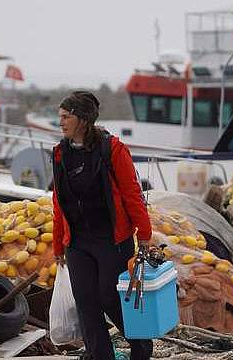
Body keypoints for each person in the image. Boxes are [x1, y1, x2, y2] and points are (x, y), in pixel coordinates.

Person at [51, 91, 153, 360]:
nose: (60, 122)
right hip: (78, 242)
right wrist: (57, 242)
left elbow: (132, 193)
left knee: (109, 297)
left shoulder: (113, 149)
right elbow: (58, 201)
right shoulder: (60, 154)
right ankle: (101, 356)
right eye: (59, 117)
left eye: (66, 116)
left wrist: (144, 233)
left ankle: (141, 345)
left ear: (83, 119)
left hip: (112, 239)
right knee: (86, 303)